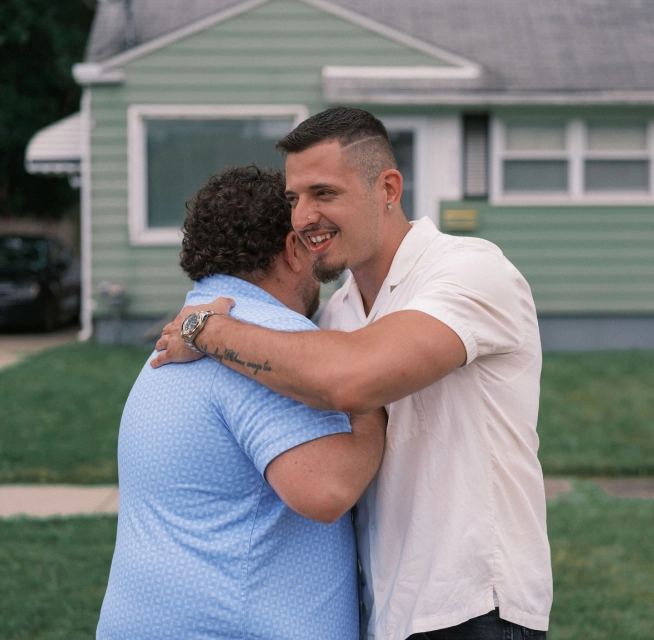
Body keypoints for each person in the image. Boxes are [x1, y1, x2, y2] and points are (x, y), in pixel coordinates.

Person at [152, 108, 553, 640]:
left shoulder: (471, 271)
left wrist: (206, 330)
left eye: (324, 193)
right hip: (389, 615)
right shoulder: (338, 313)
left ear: (387, 188)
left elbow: (350, 379)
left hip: (475, 609)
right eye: (294, 199)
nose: (302, 217)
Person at [97, 165, 386, 640]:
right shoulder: (269, 340)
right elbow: (325, 490)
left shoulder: (188, 328)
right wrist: (367, 397)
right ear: (293, 250)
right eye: (311, 242)